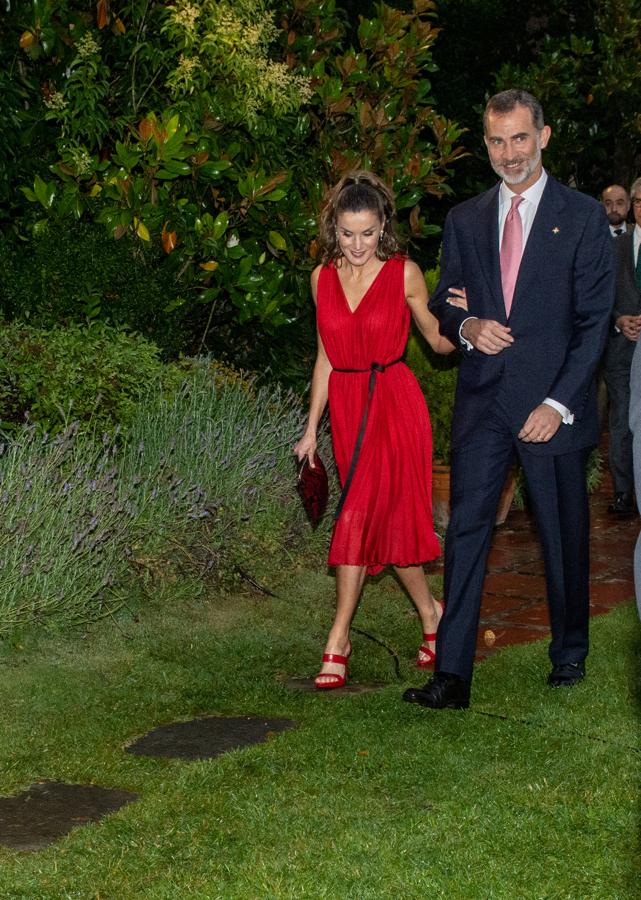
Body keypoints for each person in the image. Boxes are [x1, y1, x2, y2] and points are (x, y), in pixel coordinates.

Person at [403, 89, 615, 710]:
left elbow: (594, 322)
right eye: (496, 141)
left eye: (520, 139)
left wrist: (559, 405)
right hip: (483, 405)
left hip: (552, 407)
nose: (509, 153)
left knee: (561, 533)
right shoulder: (466, 219)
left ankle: (569, 652)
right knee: (466, 531)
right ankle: (453, 675)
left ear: (543, 137)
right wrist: (466, 328)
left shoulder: (581, 217)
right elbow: (447, 298)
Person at [293, 171, 460, 689]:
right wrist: (310, 427)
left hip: (393, 403)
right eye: (347, 233)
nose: (358, 244)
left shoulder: (404, 272)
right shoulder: (322, 278)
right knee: (385, 526)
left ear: (383, 225)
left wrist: (468, 317)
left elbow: (437, 342)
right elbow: (325, 356)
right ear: (333, 230)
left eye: (368, 233)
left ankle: (337, 638)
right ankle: (432, 613)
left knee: (358, 514)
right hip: (347, 406)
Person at [601, 179, 641, 516]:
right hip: (621, 349)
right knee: (624, 419)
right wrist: (618, 319)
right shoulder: (613, 247)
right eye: (640, 200)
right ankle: (625, 493)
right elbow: (598, 299)